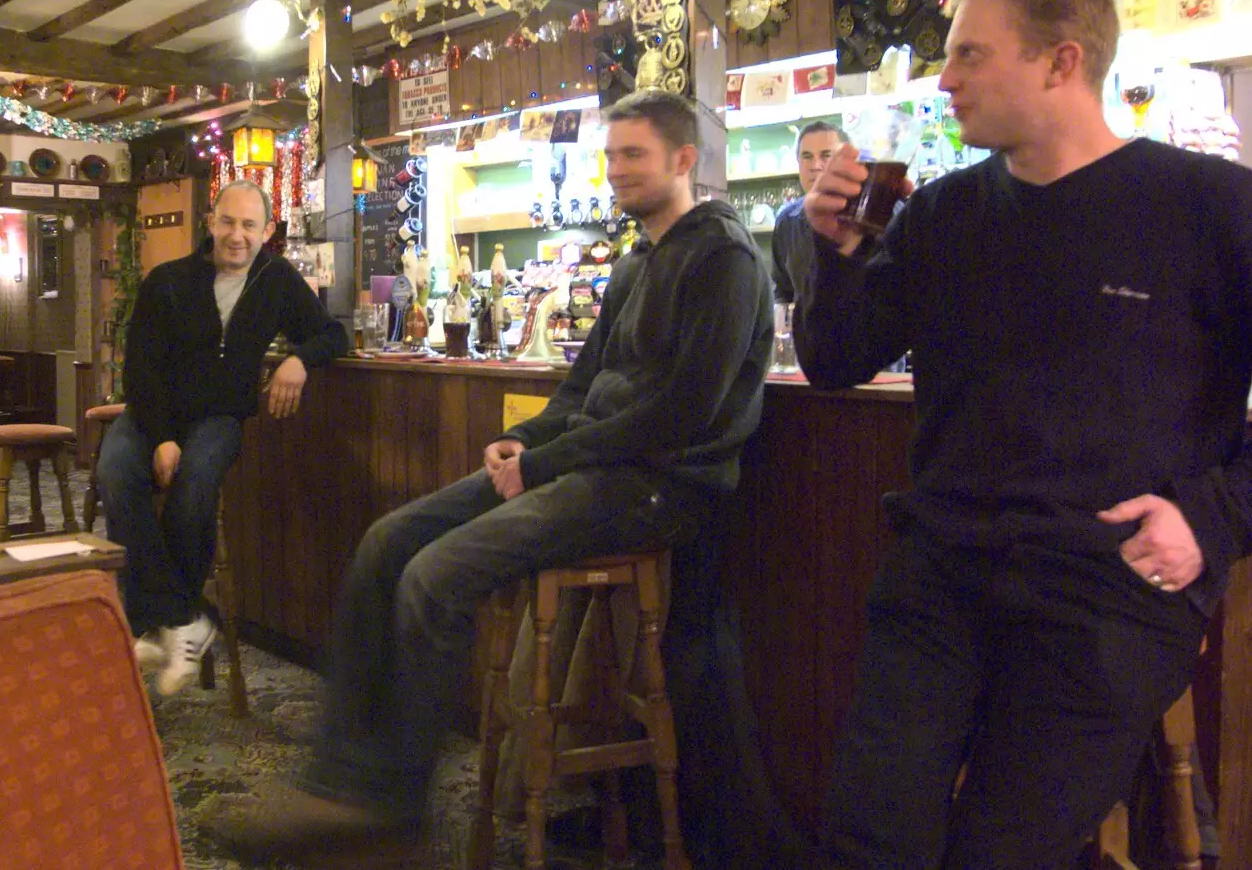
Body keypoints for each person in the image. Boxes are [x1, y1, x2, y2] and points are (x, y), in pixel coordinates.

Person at [798, 0, 1252, 869]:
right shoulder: (942, 215)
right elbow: (834, 359)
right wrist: (833, 255)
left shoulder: (1209, 206)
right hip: (941, 569)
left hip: (1106, 583)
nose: (945, 80)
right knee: (870, 840)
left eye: (969, 55)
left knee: (1002, 854)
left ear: (1062, 63)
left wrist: (1216, 517)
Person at [211, 90, 774, 866]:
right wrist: (520, 439)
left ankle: (391, 816)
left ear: (685, 160)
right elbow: (581, 389)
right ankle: (339, 788)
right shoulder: (636, 260)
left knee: (435, 577)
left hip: (663, 486)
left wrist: (543, 462)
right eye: (610, 155)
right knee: (385, 544)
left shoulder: (725, 259)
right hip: (592, 465)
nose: (615, 171)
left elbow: (683, 413)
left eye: (633, 155)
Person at [100, 179, 347, 696]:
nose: (237, 236)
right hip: (153, 411)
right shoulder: (167, 281)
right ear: (210, 223)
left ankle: (154, 621)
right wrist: (163, 437)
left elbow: (331, 333)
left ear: (268, 232)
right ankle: (179, 618)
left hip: (218, 418)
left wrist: (300, 360)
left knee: (195, 487)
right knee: (116, 473)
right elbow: (140, 370)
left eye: (249, 225)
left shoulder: (276, 279)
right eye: (228, 222)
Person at [770, 120, 848, 306]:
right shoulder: (787, 221)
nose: (815, 165)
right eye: (807, 156)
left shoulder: (870, 217)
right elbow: (783, 290)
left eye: (826, 155)